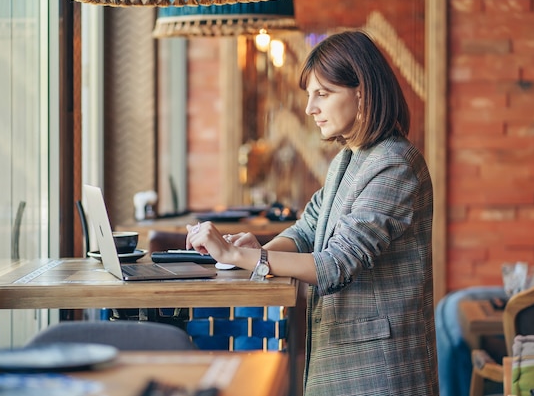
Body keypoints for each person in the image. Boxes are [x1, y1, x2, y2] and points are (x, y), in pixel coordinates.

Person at [185, 30, 439, 396]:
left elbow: (335, 265)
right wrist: (257, 247)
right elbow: (306, 230)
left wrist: (242, 257)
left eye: (323, 93)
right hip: (342, 361)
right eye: (309, 95)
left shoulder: (395, 164)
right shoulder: (348, 159)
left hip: (380, 373)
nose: (310, 108)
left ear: (362, 93)